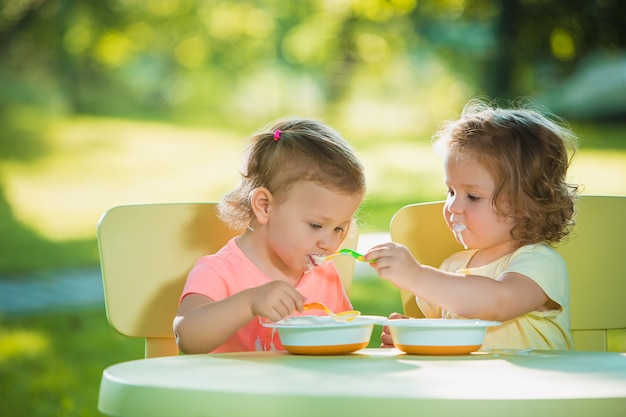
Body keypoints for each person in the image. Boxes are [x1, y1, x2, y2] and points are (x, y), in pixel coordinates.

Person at [365, 98, 579, 350]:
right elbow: (450, 339)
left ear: (525, 205)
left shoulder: (539, 262)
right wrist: (415, 335)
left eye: (473, 197)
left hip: (541, 387)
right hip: (470, 387)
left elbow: (499, 302)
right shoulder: (452, 268)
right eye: (450, 191)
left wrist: (417, 275)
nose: (453, 206)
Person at [174, 118, 366, 354]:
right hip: (234, 390)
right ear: (265, 206)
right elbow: (187, 337)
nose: (329, 243)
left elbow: (343, 344)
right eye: (316, 225)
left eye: (339, 229)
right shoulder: (219, 271)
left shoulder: (325, 276)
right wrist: (249, 302)